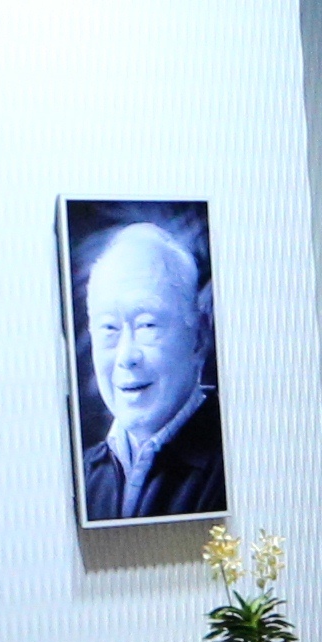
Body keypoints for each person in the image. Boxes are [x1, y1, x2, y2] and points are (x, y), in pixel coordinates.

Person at [72, 210, 222, 521]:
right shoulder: (84, 473)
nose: (126, 356)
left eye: (147, 325)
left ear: (199, 336)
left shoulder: (232, 459)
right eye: (109, 329)